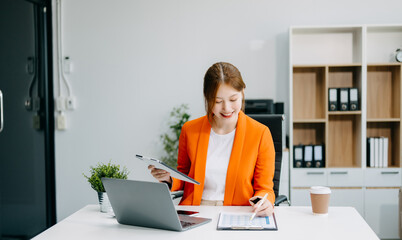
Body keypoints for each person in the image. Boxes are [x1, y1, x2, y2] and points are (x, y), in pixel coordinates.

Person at [149, 62, 275, 217]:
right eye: (218, 101)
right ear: (207, 99)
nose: (227, 108)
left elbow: (265, 188)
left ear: (242, 92)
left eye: (233, 99)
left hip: (237, 213)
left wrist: (264, 202)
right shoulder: (190, 130)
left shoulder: (260, 133)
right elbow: (185, 176)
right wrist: (169, 179)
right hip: (196, 212)